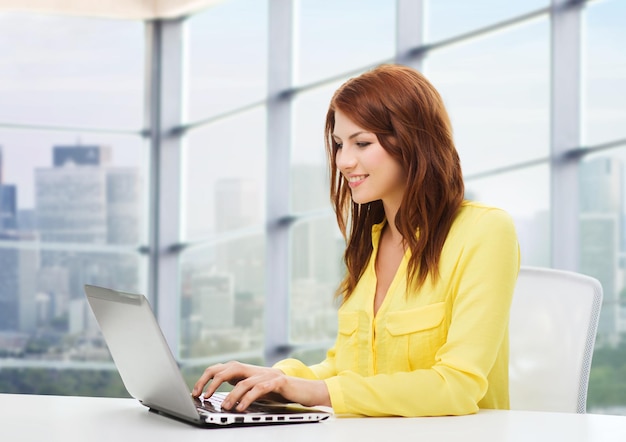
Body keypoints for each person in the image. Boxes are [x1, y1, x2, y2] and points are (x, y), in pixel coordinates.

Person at [192, 64, 520, 417]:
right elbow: (346, 371)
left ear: (413, 141)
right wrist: (276, 379)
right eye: (338, 144)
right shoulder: (371, 244)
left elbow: (457, 385)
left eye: (362, 143)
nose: (344, 161)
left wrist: (313, 391)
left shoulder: (485, 231)